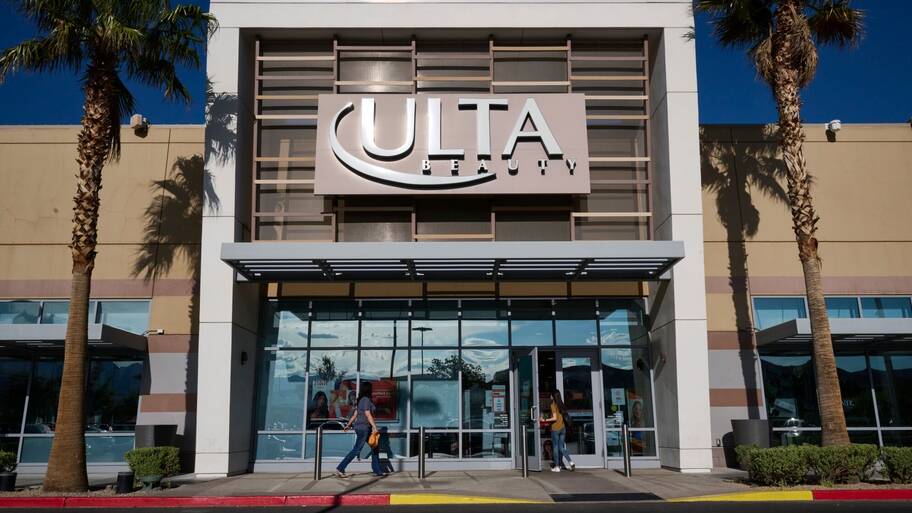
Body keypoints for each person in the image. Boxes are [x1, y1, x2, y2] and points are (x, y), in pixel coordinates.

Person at [335, 382, 383, 477]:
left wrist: (348, 424)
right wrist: (375, 427)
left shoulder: (361, 400)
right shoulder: (366, 400)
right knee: (357, 450)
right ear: (368, 389)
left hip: (362, 428)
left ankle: (377, 470)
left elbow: (355, 414)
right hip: (364, 428)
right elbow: (368, 414)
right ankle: (340, 468)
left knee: (375, 447)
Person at [541, 390, 575, 472]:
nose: (550, 396)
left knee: (555, 447)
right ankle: (570, 462)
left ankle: (557, 467)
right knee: (561, 447)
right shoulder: (561, 404)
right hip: (563, 428)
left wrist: (544, 419)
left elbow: (555, 418)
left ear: (553, 396)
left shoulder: (553, 405)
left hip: (555, 429)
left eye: (551, 395)